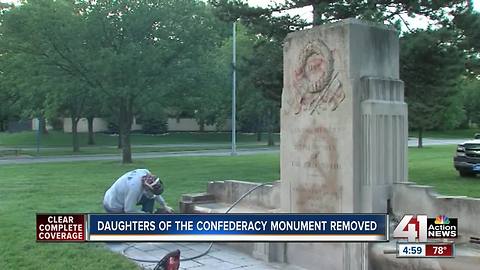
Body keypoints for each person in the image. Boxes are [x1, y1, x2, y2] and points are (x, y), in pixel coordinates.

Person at [103, 169, 174, 213]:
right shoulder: (134, 189)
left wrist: (165, 206)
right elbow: (129, 210)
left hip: (121, 196)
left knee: (150, 198)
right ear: (147, 188)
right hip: (113, 205)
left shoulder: (145, 172)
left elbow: (154, 194)